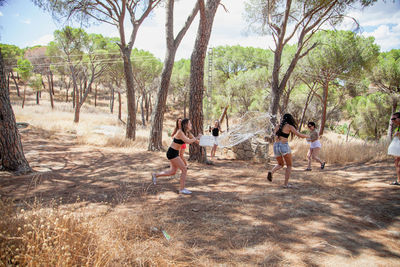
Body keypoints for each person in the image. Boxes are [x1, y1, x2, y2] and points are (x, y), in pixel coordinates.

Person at [152, 118, 200, 194]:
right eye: (190, 123)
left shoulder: (187, 133)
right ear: (186, 125)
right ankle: (182, 189)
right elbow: (188, 141)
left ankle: (155, 175)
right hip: (172, 152)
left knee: (173, 172)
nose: (191, 125)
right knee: (184, 169)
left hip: (175, 153)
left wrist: (207, 141)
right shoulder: (180, 132)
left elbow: (196, 141)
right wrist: (197, 137)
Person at [267, 114, 309, 188]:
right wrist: (308, 136)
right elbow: (299, 135)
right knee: (289, 165)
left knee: (280, 164)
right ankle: (285, 184)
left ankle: (271, 172)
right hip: (284, 145)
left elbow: (275, 136)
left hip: (276, 146)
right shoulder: (289, 126)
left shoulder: (277, 126)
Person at [390, 112, 400, 186]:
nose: (392, 120)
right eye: (391, 119)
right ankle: (399, 180)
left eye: (394, 118)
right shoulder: (398, 127)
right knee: (397, 162)